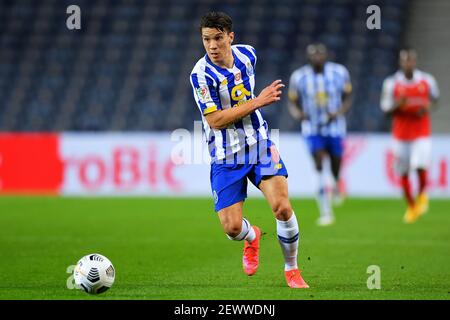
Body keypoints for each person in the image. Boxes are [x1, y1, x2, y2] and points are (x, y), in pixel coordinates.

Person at [189, 12, 309, 288]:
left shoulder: (248, 56)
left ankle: (292, 269)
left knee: (282, 208)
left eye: (218, 38)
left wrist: (255, 103)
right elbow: (215, 120)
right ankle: (252, 237)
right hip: (225, 157)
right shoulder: (200, 76)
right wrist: (257, 101)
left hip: (260, 147)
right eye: (206, 39)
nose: (212, 45)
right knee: (232, 229)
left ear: (231, 37)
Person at [288, 43, 352, 226]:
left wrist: (339, 112)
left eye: (320, 54)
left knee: (335, 165)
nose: (317, 57)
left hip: (335, 128)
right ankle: (326, 211)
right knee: (318, 164)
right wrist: (298, 114)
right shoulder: (299, 76)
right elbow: (292, 101)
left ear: (326, 55)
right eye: (313, 55)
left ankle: (337, 181)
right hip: (312, 129)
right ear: (308, 57)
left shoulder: (339, 72)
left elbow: (348, 96)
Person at [380, 48, 439, 223]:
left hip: (421, 133)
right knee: (404, 173)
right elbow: (385, 110)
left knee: (420, 165)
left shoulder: (427, 80)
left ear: (415, 61)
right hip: (401, 135)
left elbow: (435, 99)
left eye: (411, 60)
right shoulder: (391, 83)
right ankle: (412, 206)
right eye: (405, 60)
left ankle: (421, 195)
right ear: (400, 62)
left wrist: (427, 108)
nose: (408, 63)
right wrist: (398, 105)